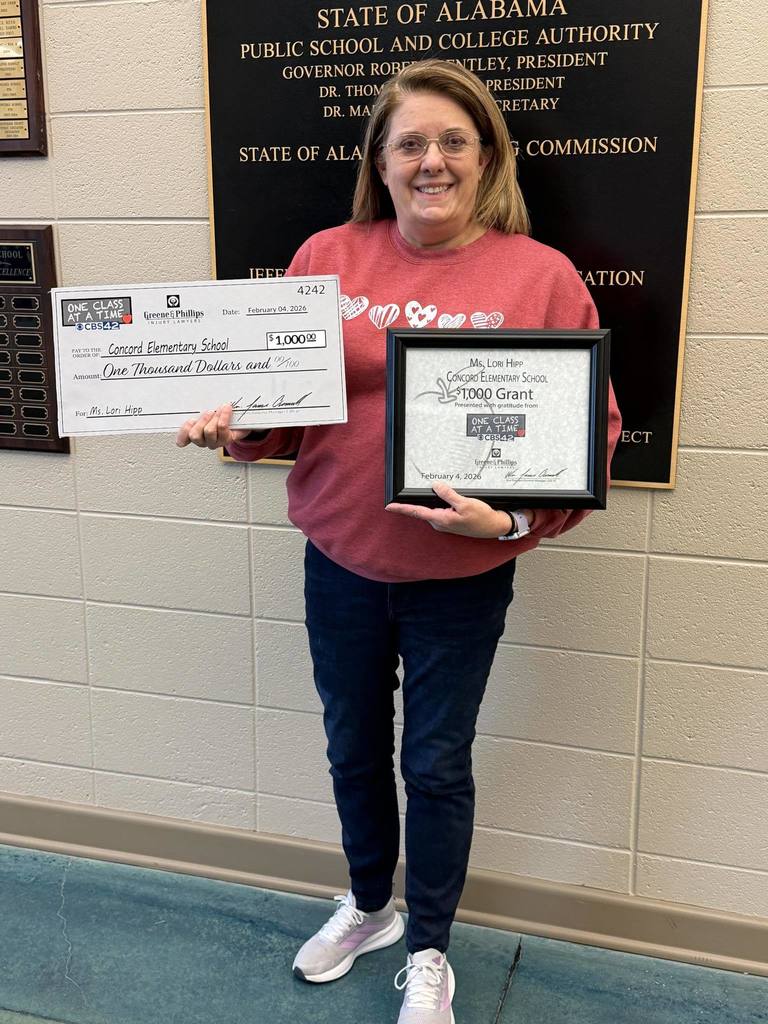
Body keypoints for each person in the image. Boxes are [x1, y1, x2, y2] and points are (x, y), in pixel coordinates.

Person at [177, 58, 621, 1024]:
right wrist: (236, 427)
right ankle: (371, 905)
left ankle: (429, 946)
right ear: (380, 161)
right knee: (350, 749)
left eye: (453, 141)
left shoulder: (539, 277)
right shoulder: (324, 260)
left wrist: (508, 521)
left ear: (487, 155)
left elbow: (594, 435)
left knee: (435, 763)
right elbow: (282, 417)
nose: (433, 161)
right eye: (411, 143)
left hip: (460, 577)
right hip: (338, 562)